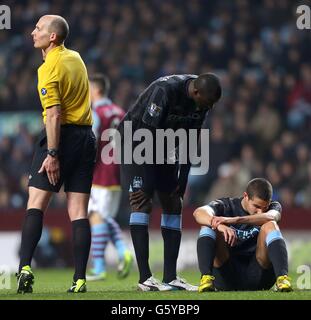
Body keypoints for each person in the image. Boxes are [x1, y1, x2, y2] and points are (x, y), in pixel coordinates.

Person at [118, 73, 222, 291]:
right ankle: (145, 279)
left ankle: (170, 277)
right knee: (142, 201)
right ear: (196, 92)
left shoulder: (201, 102)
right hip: (134, 142)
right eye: (208, 102)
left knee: (174, 203)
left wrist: (181, 181)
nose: (209, 108)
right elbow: (145, 134)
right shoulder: (165, 92)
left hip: (164, 146)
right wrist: (146, 183)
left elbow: (190, 142)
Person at [16, 15, 96, 293]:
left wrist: (52, 152)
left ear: (52, 37)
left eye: (38, 29)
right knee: (78, 211)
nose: (32, 33)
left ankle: (24, 268)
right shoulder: (76, 58)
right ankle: (80, 279)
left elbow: (53, 113)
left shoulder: (49, 67)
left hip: (61, 136)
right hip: (86, 137)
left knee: (36, 203)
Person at [193, 178, 293, 292]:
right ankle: (206, 278)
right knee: (208, 225)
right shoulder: (226, 205)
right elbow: (198, 213)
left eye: (264, 207)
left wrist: (234, 220)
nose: (260, 212)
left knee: (270, 225)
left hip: (260, 276)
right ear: (245, 196)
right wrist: (218, 225)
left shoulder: (274, 206)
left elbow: (271, 217)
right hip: (226, 276)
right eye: (256, 206)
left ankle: (282, 279)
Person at [86, 74, 133, 281]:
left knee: (96, 216)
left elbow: (92, 140)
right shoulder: (120, 111)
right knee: (104, 217)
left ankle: (100, 266)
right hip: (118, 170)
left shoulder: (95, 111)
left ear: (95, 90)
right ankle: (121, 252)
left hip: (101, 171)